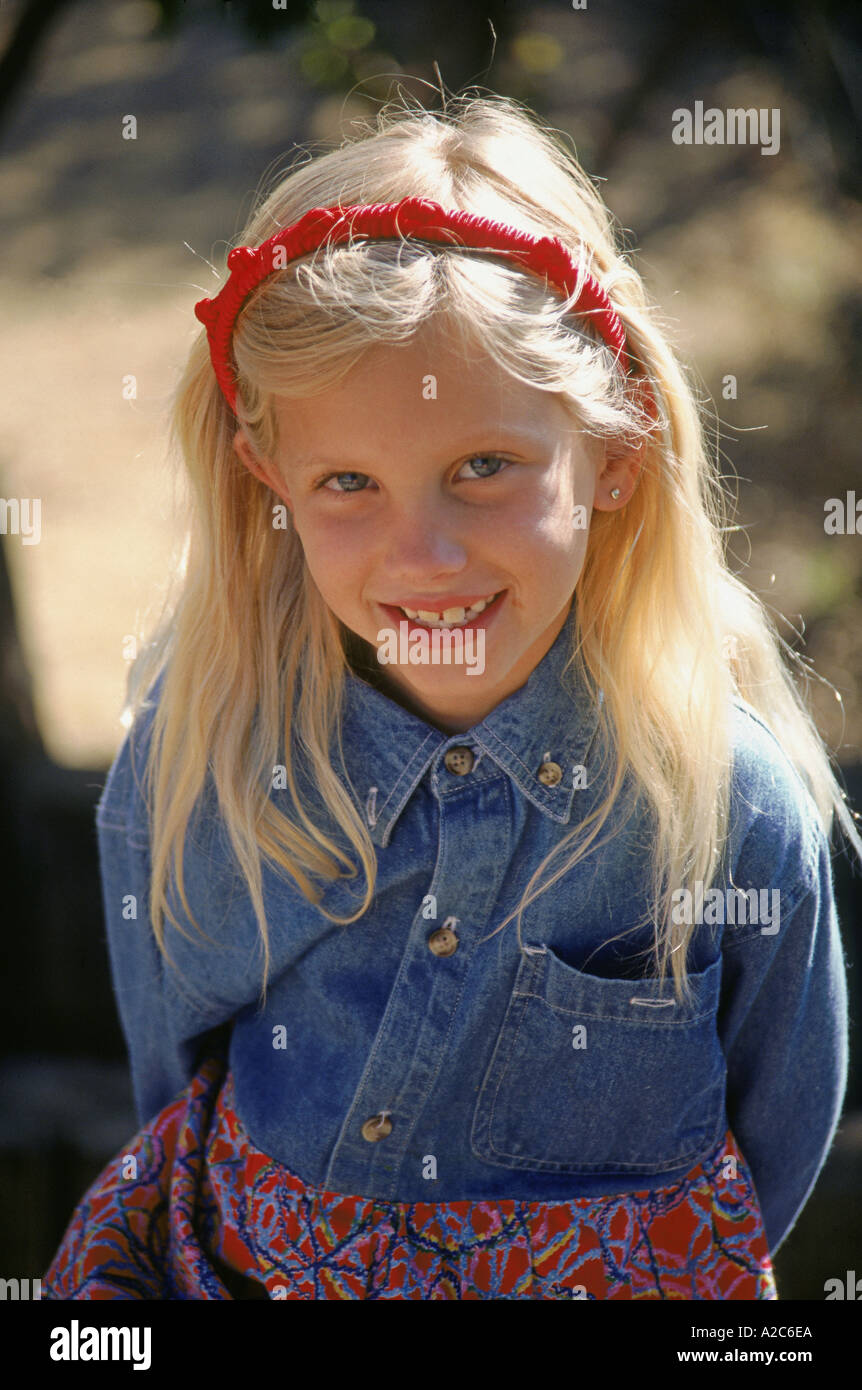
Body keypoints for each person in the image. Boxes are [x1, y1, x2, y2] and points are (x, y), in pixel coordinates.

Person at [44, 91, 857, 1300]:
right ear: (267, 478)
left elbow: (776, 1138)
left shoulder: (720, 802)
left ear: (616, 452)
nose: (421, 555)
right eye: (348, 482)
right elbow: (173, 1077)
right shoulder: (203, 760)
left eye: (485, 468)